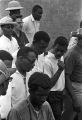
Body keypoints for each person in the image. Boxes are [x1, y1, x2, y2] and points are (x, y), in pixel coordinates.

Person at [42, 36, 68, 120]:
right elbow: (49, 84)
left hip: (60, 94)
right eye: (57, 50)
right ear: (53, 46)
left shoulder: (61, 57)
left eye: (62, 51)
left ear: (66, 50)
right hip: (52, 95)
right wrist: (60, 70)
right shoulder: (47, 60)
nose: (59, 53)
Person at [64, 28, 82, 120]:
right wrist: (74, 98)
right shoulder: (72, 53)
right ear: (79, 39)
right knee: (72, 115)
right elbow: (66, 76)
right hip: (76, 88)